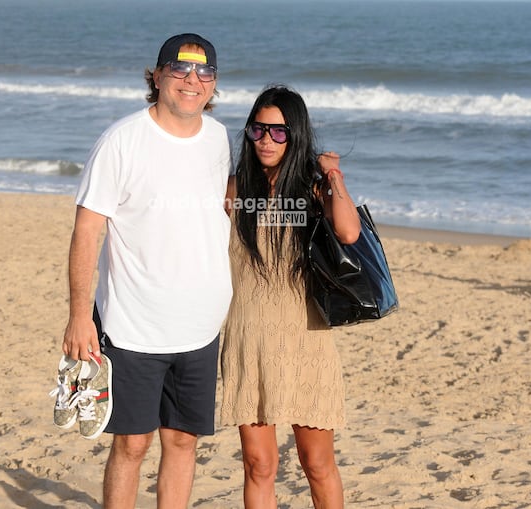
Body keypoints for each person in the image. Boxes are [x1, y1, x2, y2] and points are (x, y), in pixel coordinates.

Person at [61, 33, 233, 508]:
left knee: (182, 442)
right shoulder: (122, 140)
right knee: (132, 445)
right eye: (179, 70)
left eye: (204, 73)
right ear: (156, 76)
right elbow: (86, 232)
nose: (192, 81)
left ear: (214, 84)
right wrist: (79, 317)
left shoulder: (219, 138)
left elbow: (217, 210)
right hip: (132, 327)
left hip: (200, 329)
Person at [221, 84, 361, 509]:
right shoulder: (233, 191)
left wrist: (333, 176)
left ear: (295, 136)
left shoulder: (313, 193)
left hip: (305, 338)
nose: (266, 140)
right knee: (258, 465)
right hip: (248, 339)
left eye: (279, 132)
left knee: (316, 464)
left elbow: (349, 232)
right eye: (258, 130)